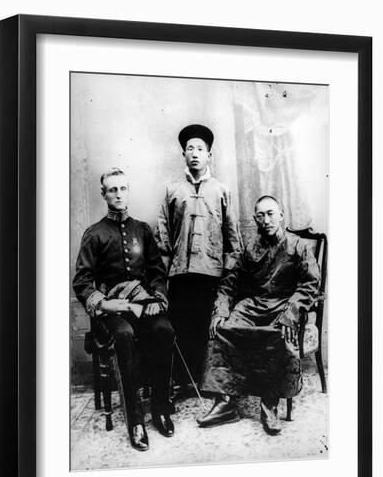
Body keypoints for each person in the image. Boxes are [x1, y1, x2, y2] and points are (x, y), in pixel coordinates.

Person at [198, 195, 320, 434]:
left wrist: (291, 312)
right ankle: (225, 402)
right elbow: (229, 283)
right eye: (261, 215)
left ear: (281, 215)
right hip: (254, 304)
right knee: (222, 329)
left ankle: (269, 403)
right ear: (255, 219)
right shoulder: (250, 248)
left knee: (277, 335)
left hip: (284, 305)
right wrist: (220, 310)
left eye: (271, 213)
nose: (266, 220)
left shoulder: (299, 245)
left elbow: (310, 284)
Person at [73, 167, 175, 451]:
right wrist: (104, 303)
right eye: (112, 189)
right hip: (111, 313)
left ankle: (160, 408)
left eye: (123, 188)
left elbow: (156, 273)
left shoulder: (142, 230)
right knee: (124, 335)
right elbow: (81, 282)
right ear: (104, 194)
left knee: (165, 330)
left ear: (128, 191)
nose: (118, 194)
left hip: (142, 305)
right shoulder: (94, 234)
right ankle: (136, 421)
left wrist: (158, 300)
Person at [156, 124, 242, 387]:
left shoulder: (221, 190)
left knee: (207, 326)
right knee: (181, 326)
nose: (195, 153)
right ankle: (183, 382)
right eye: (190, 148)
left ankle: (207, 382)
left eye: (200, 149)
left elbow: (232, 237)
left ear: (209, 156)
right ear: (184, 154)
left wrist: (228, 270)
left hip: (211, 272)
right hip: (181, 273)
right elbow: (163, 234)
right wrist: (167, 271)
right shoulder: (172, 190)